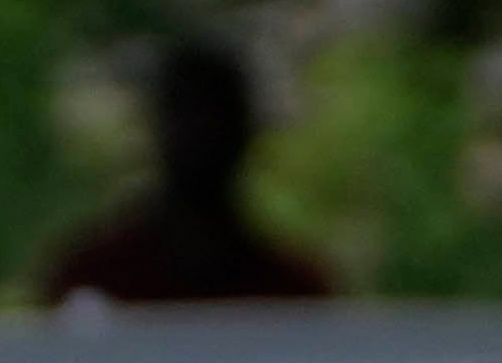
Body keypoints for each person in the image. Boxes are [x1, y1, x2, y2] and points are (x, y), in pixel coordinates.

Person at [38, 40, 337, 306]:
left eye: (214, 119)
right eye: (186, 116)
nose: (200, 136)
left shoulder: (294, 290)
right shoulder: (92, 277)